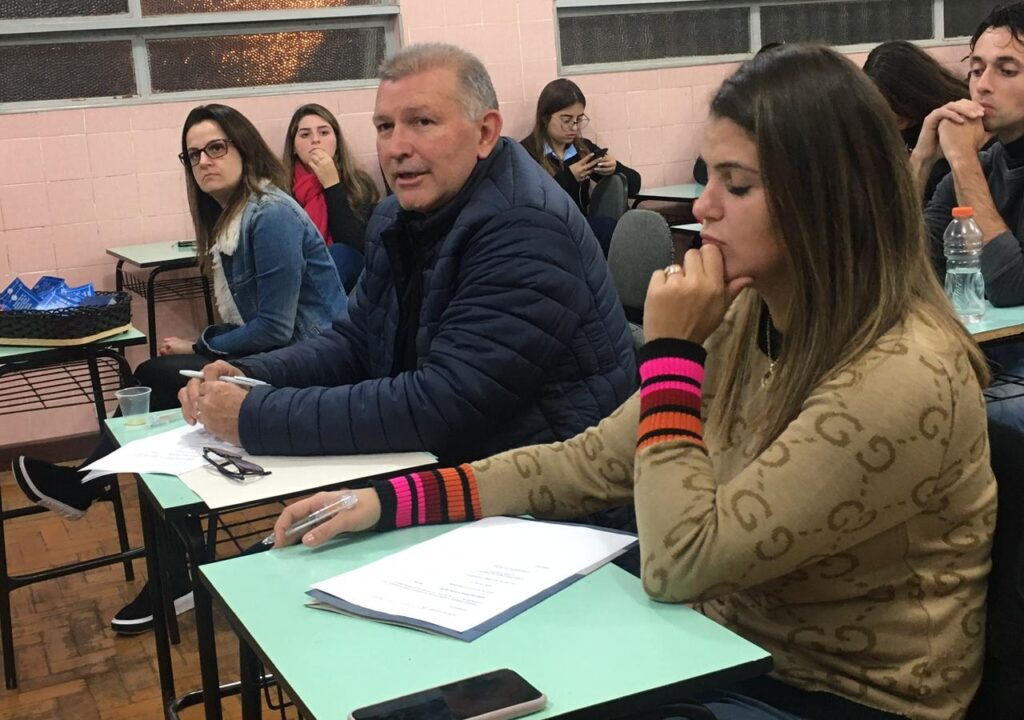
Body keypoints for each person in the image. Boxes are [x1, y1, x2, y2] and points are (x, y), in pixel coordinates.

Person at [274, 46, 995, 720]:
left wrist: (674, 353)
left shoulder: (902, 373)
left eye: (737, 185)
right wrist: (389, 501)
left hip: (832, 696)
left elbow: (681, 563)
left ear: (828, 200)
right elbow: (588, 460)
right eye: (710, 178)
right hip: (715, 654)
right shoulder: (751, 314)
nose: (703, 207)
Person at [180, 43, 636, 468]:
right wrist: (251, 374)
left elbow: (446, 402)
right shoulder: (396, 216)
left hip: (550, 493)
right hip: (462, 467)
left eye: (422, 122)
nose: (397, 147)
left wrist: (255, 415)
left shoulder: (527, 227)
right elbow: (356, 341)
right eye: (385, 127)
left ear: (485, 132)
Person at [14, 103, 346, 633]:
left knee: (157, 379)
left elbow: (276, 329)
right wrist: (207, 350)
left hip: (319, 366)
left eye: (216, 148)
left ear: (243, 149)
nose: (204, 161)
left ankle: (100, 496)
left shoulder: (270, 214)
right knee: (168, 398)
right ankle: (163, 557)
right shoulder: (234, 217)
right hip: (283, 358)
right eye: (193, 155)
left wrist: (202, 343)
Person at [915, 2, 1024, 433]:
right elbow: (903, 261)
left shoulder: (970, 165)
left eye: (1006, 70)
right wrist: (922, 158)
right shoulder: (986, 163)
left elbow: (1011, 287)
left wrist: (961, 159)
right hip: (984, 355)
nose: (982, 86)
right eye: (976, 69)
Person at [283, 103, 380, 290]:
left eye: (324, 132)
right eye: (305, 135)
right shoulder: (282, 190)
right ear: (293, 146)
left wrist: (332, 185)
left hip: (350, 280)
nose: (315, 140)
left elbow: (356, 246)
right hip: (301, 280)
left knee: (340, 253)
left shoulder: (359, 184)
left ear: (336, 141)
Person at [863, 40, 973, 202]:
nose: (890, 114)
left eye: (896, 103)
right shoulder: (879, 133)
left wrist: (920, 159)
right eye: (879, 106)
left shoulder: (955, 124)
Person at [520, 78, 640, 214]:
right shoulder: (525, 153)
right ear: (545, 118)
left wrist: (614, 168)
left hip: (582, 224)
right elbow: (530, 201)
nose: (574, 127)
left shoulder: (583, 149)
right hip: (547, 225)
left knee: (612, 223)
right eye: (566, 120)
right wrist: (570, 177)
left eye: (579, 119)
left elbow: (635, 185)